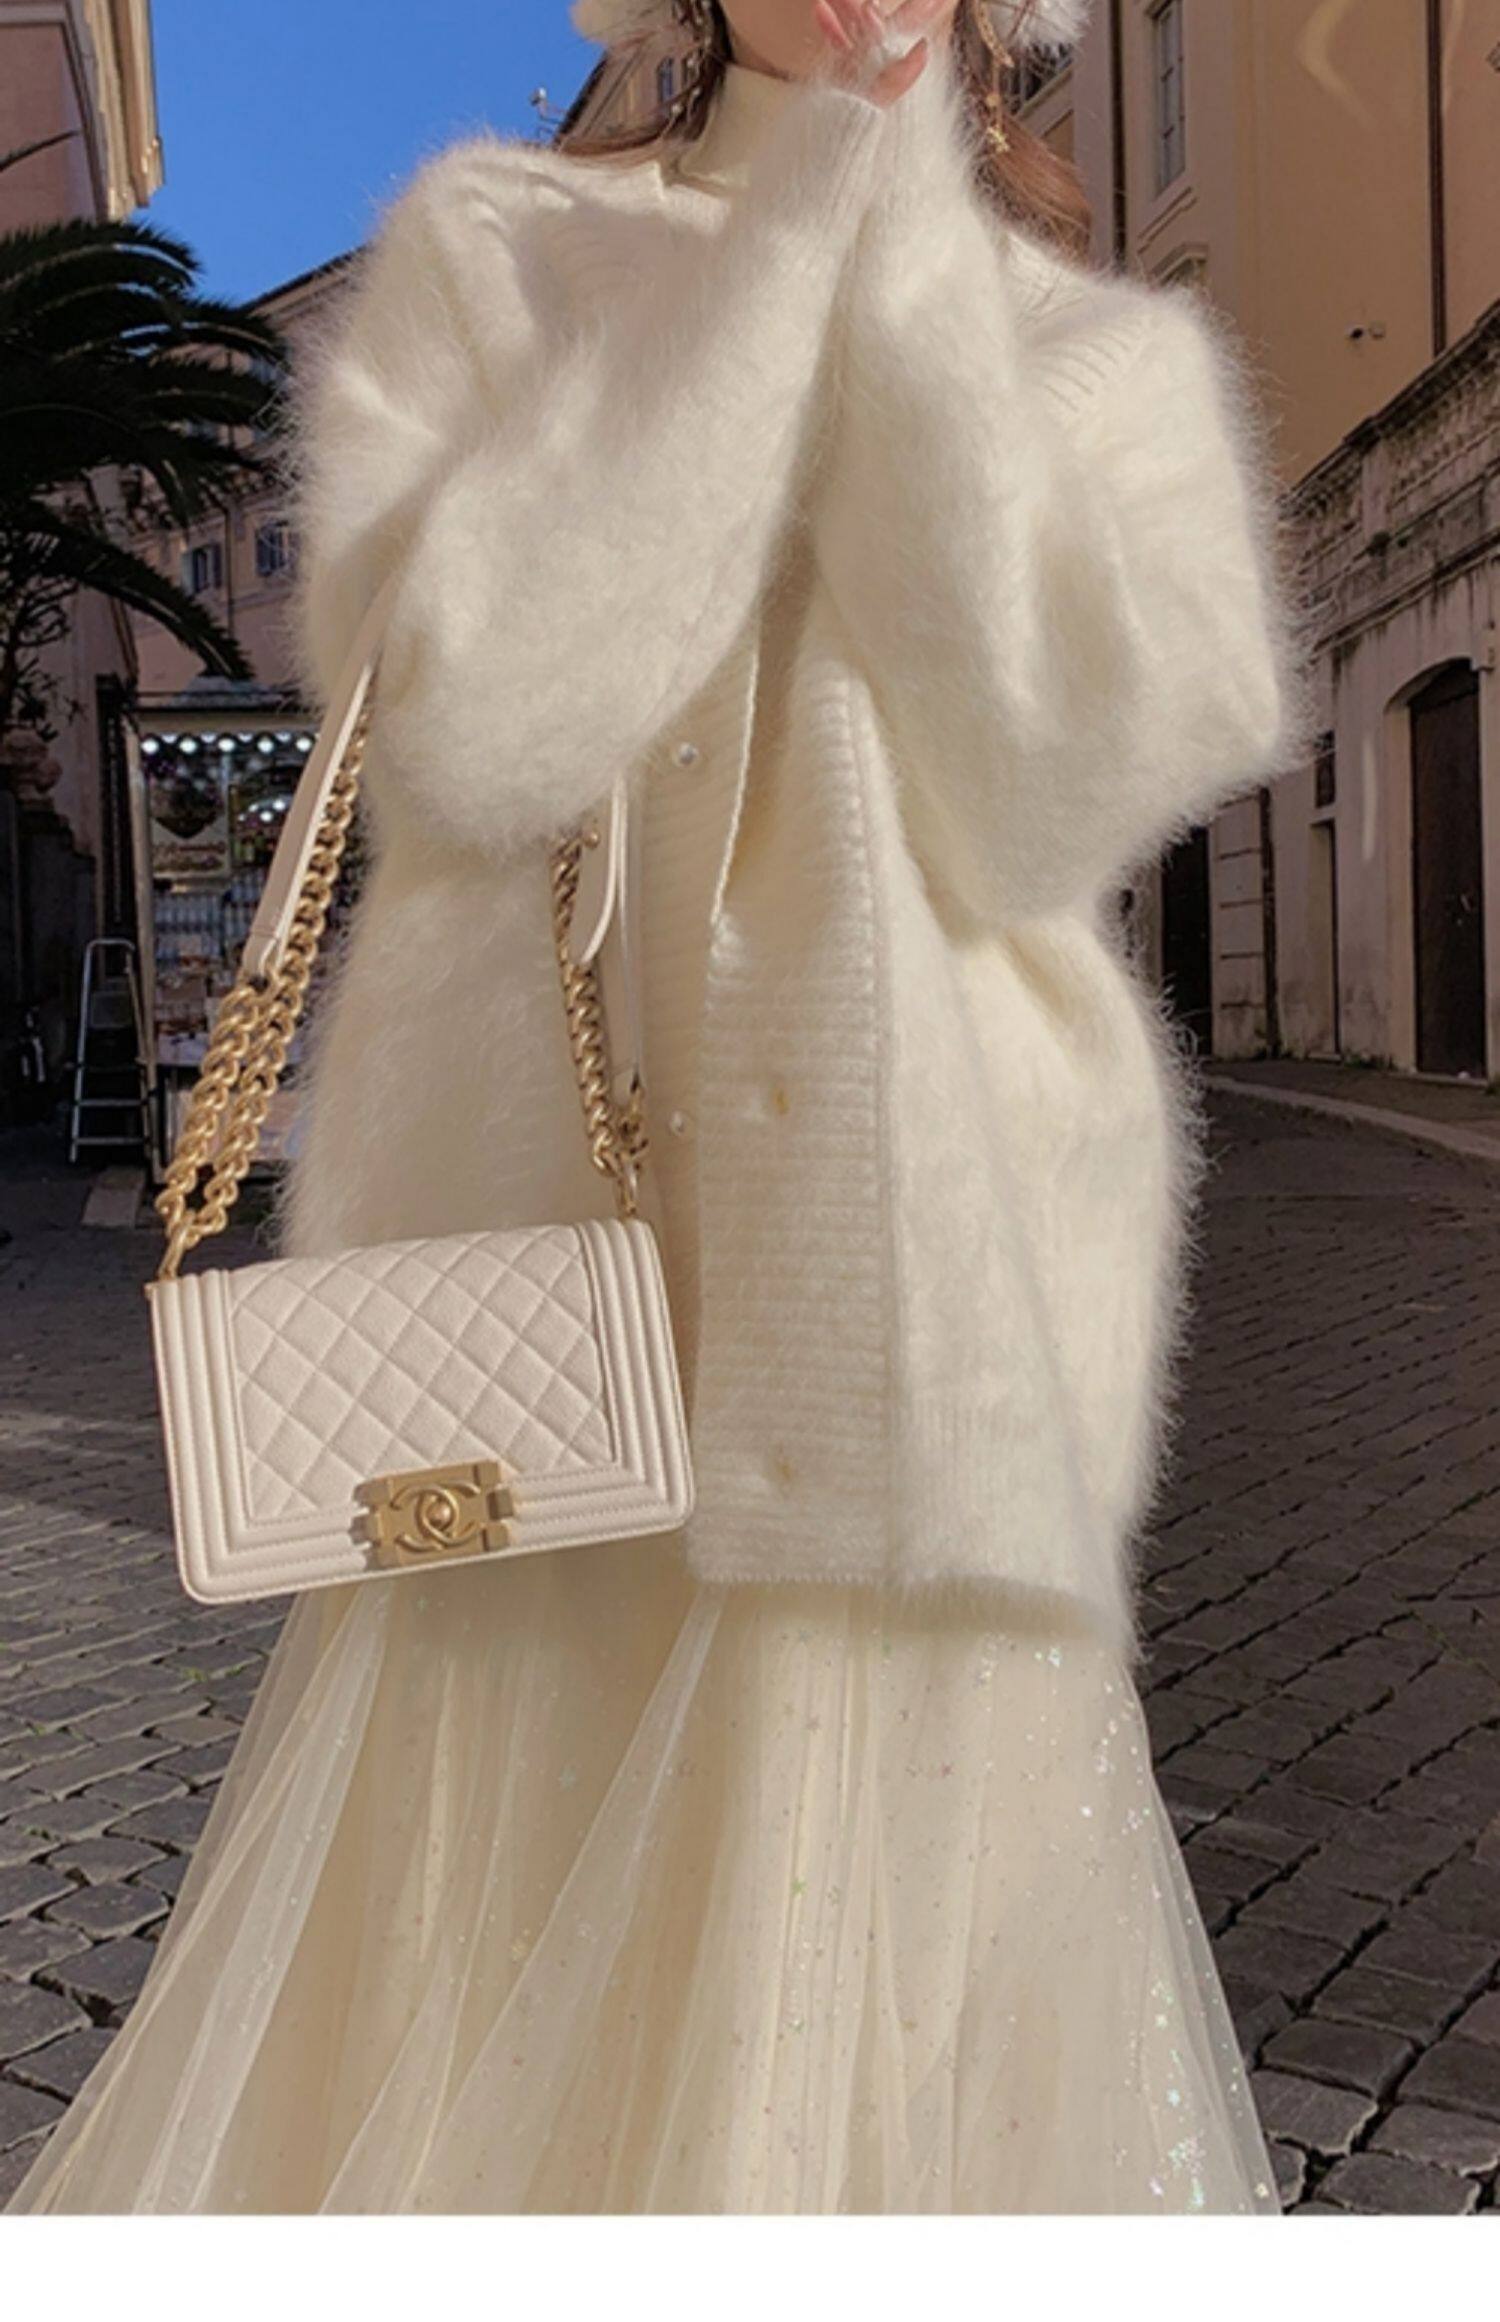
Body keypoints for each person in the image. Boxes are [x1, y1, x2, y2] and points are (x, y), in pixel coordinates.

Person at [8, 0, 1304, 2213]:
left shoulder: (1114, 369)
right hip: (522, 1338)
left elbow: (1037, 792)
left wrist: (887, 242)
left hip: (931, 1347)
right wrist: (797, 219)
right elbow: (487, 726)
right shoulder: (497, 253)